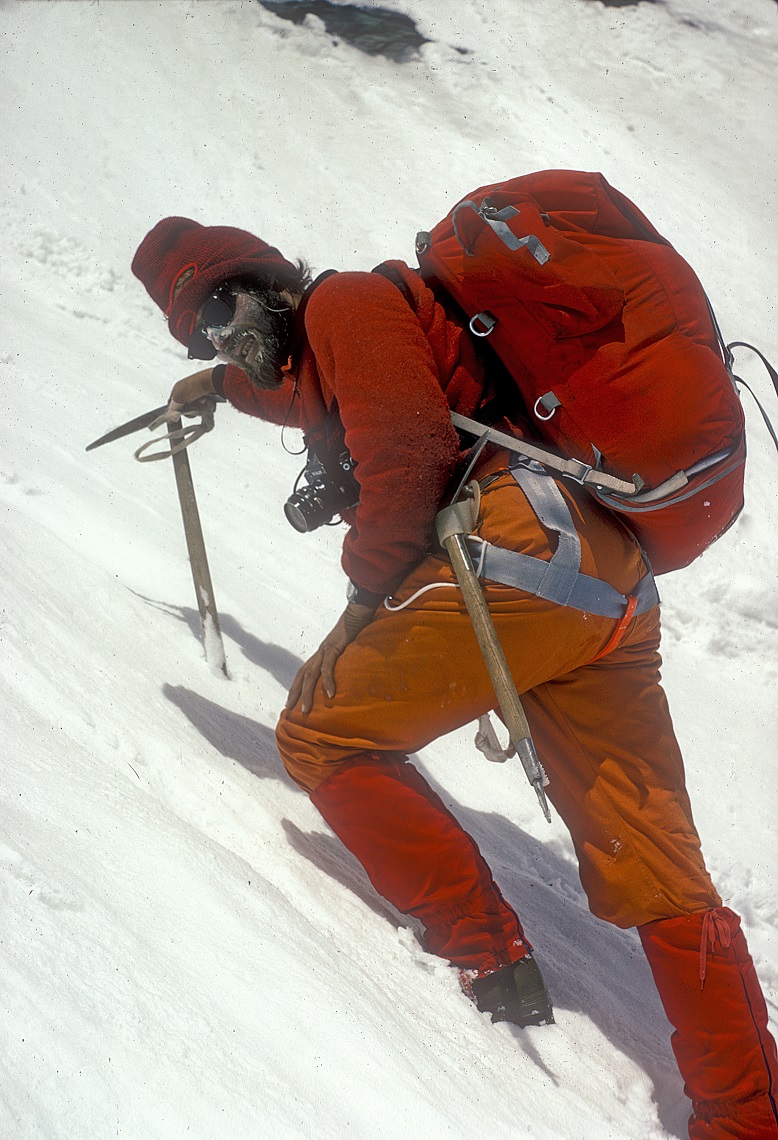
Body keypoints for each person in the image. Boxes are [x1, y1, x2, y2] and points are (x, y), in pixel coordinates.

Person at [132, 216, 777, 1139]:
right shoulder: (319, 349)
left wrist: (362, 605)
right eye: (203, 332)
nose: (226, 336)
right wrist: (211, 387)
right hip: (604, 581)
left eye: (225, 309)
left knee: (321, 732)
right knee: (662, 871)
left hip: (519, 556)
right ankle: (750, 1119)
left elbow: (404, 463)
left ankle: (486, 956)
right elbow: (289, 390)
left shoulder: (346, 305)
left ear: (267, 279)